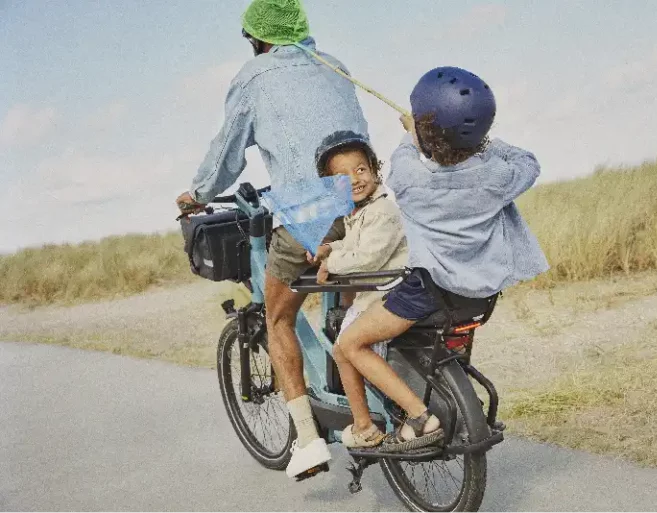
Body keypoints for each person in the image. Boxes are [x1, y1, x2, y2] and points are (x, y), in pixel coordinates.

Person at [174, 0, 370, 479]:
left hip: (306, 216)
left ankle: (306, 439)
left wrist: (198, 194)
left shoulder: (254, 76)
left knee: (278, 315)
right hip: (364, 205)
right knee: (345, 300)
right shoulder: (335, 66)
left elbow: (228, 152)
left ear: (258, 38)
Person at [333, 66, 550, 452]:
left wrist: (412, 131)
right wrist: (485, 143)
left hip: (429, 294)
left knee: (349, 345)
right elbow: (529, 163)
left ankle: (419, 417)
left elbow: (407, 149)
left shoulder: (408, 178)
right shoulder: (498, 178)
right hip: (477, 297)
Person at [304, 130, 409, 448]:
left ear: (375, 170)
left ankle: (364, 425)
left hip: (385, 296)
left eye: (360, 169)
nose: (354, 179)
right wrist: (329, 248)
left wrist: (331, 264)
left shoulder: (384, 211)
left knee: (344, 350)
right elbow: (353, 244)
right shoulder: (361, 214)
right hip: (375, 294)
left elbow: (367, 257)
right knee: (348, 347)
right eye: (342, 176)